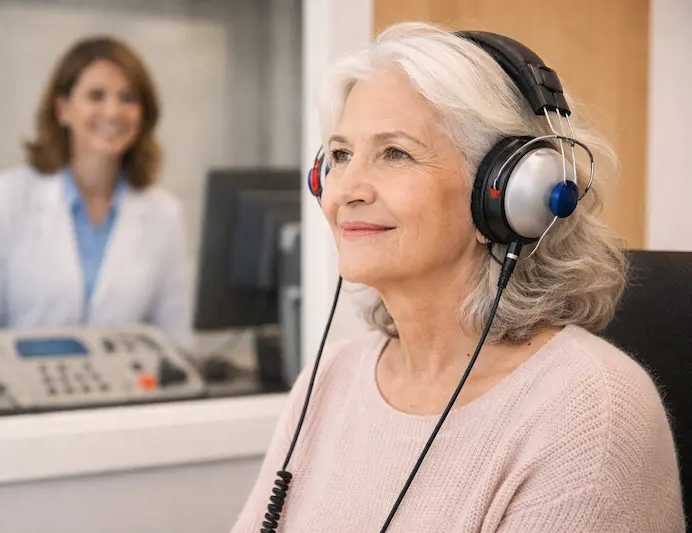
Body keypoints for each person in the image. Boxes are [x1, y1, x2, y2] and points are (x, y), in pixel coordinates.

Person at [231, 23, 684, 532]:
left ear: (508, 195)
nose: (346, 190)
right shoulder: (334, 375)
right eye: (339, 156)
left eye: (395, 153)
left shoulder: (590, 411)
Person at [0, 36, 193, 350]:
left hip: (130, 398)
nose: (113, 111)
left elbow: (176, 343)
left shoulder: (164, 214)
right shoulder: (0, 200)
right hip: (15, 395)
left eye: (128, 98)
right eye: (96, 96)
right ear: (63, 109)